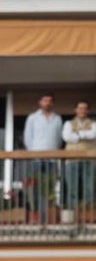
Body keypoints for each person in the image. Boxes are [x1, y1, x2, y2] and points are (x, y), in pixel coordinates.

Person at [21, 92, 63, 221]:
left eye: (50, 101)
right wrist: (34, 153)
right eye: (45, 101)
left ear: (53, 103)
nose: (47, 103)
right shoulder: (32, 118)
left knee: (50, 188)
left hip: (52, 160)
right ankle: (36, 215)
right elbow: (27, 138)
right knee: (34, 188)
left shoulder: (57, 118)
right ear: (40, 102)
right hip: (36, 159)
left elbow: (59, 140)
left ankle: (48, 216)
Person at [61, 99, 96, 211]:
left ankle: (89, 212)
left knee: (90, 188)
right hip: (72, 159)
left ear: (88, 111)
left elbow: (93, 134)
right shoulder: (68, 123)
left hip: (89, 159)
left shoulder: (94, 123)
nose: (82, 110)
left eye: (85, 108)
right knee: (72, 188)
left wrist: (77, 134)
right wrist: (84, 135)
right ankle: (72, 212)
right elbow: (66, 137)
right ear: (75, 110)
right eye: (80, 108)